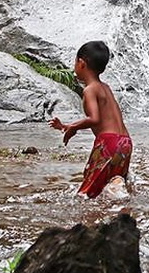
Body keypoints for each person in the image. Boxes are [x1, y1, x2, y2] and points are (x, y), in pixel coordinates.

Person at [49, 41, 133, 199]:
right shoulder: (105, 87)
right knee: (109, 183)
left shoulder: (90, 90)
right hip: (125, 142)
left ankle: (91, 218)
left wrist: (72, 127)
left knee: (86, 193)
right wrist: (67, 126)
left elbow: (94, 119)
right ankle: (121, 208)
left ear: (81, 63)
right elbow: (105, 119)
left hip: (109, 143)